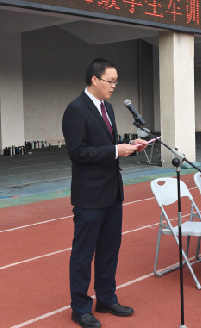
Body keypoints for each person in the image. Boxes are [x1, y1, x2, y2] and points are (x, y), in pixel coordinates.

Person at [62, 58, 147, 328]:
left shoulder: (107, 108)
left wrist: (129, 145)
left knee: (110, 249)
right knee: (84, 253)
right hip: (89, 195)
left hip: (112, 191)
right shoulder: (75, 110)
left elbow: (106, 144)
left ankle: (107, 298)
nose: (113, 86)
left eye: (116, 82)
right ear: (94, 80)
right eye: (110, 81)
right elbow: (77, 152)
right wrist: (114, 150)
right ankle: (80, 307)